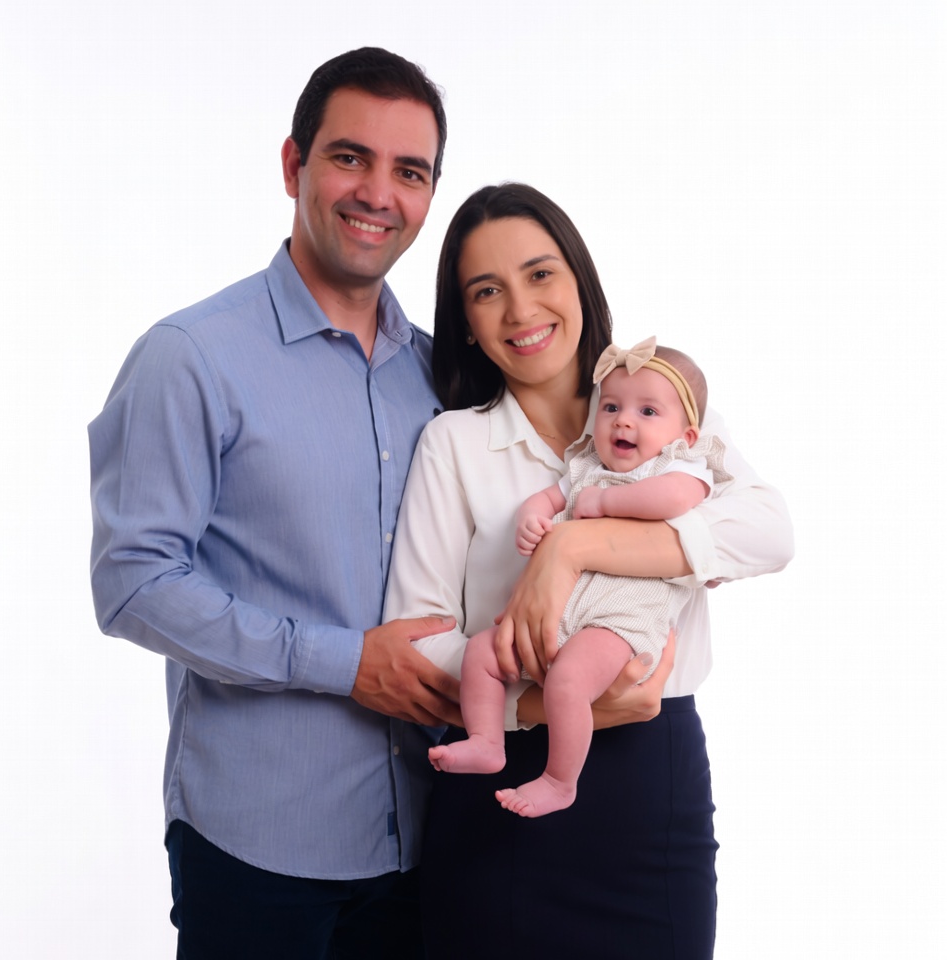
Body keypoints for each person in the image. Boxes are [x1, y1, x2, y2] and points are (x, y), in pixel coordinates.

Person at [88, 47, 467, 958]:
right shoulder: (192, 356)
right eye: (350, 158)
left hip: (428, 840)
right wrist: (344, 663)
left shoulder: (441, 379)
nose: (378, 193)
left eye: (408, 172)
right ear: (294, 165)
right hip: (257, 849)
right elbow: (132, 583)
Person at [383, 183, 794, 958]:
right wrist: (538, 705)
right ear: (465, 323)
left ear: (578, 280)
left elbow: (770, 532)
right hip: (499, 797)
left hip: (650, 791)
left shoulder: (662, 406)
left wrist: (575, 548)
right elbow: (416, 640)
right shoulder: (454, 444)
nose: (520, 310)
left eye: (540, 275)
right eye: (486, 291)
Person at [426, 336, 732, 819]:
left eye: (648, 412)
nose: (624, 420)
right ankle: (486, 741)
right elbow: (551, 498)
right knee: (483, 652)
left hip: (619, 622)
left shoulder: (682, 466)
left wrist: (606, 503)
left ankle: (559, 780)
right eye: (611, 407)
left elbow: (673, 502)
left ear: (686, 434)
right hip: (557, 614)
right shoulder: (586, 466)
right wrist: (532, 514)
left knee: (568, 681)